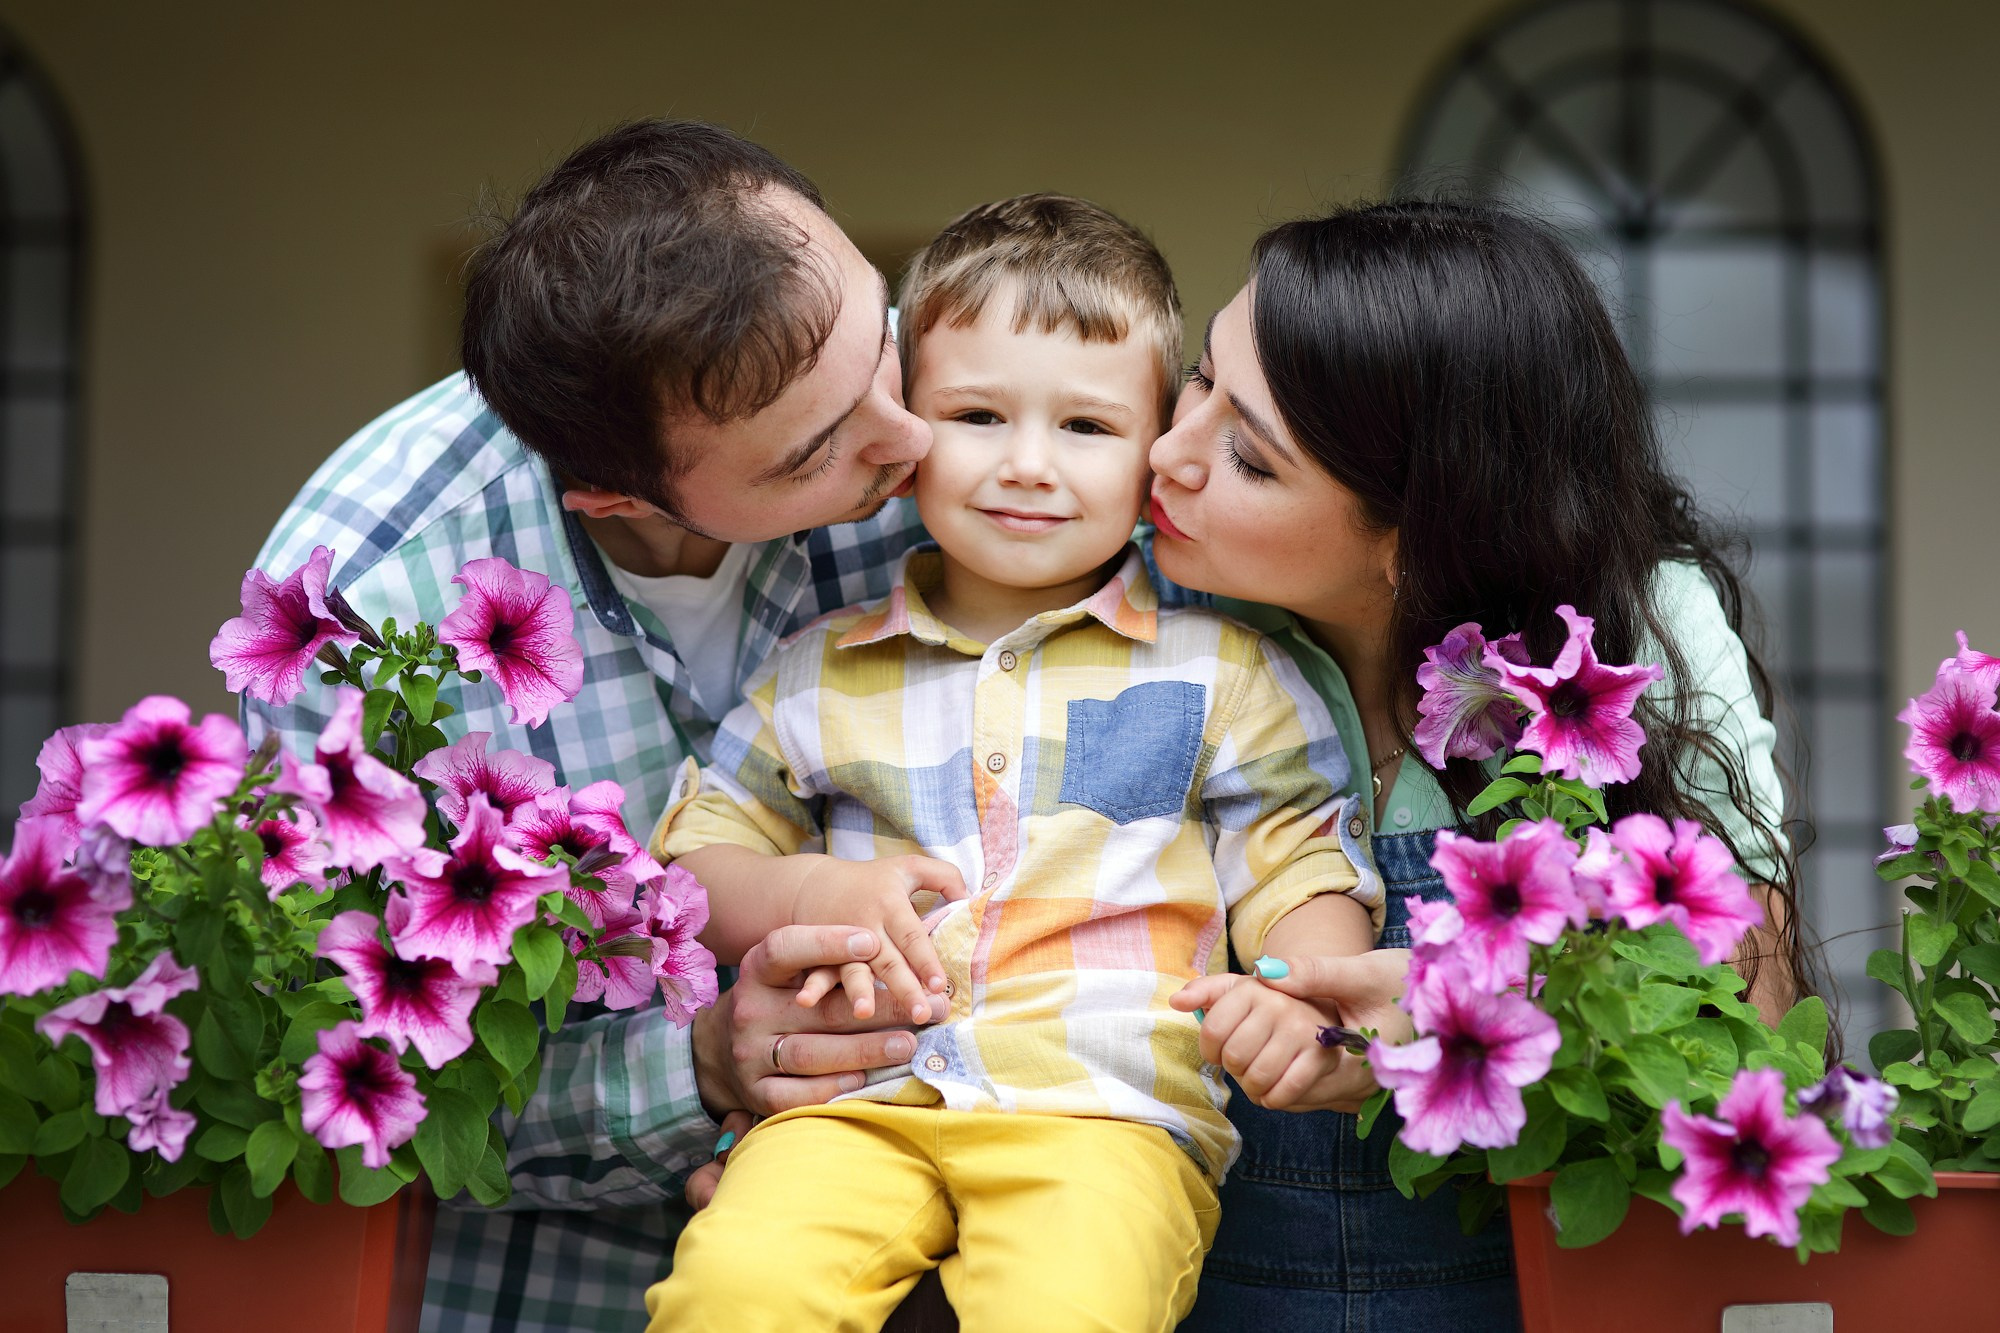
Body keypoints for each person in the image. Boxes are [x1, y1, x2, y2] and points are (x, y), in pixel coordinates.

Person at [248, 120, 943, 1333]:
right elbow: (368, 1085)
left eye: (876, 330)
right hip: (566, 1296)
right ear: (617, 498)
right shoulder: (361, 603)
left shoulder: (959, 400)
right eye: (819, 451)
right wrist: (706, 1068)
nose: (916, 435)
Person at [643, 194, 1384, 1332]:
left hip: (1102, 1113)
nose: (1028, 465)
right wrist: (805, 890)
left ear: (1154, 456)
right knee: (731, 1293)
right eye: (978, 414)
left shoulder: (1221, 672)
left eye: (1085, 428)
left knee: (1068, 1307)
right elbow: (693, 861)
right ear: (902, 437)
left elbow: (1294, 852)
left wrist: (1302, 993)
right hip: (848, 1104)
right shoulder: (816, 670)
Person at [1146, 200, 1816, 1331]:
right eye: (1194, 379)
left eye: (1247, 457)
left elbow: (1750, 1021)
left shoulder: (1638, 630)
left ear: (1413, 530)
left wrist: (1451, 1010)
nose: (1166, 451)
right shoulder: (1135, 609)